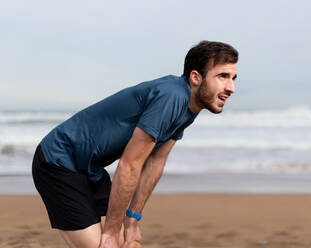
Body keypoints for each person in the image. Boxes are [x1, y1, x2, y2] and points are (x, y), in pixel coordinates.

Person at [32, 40, 238, 248]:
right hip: (58, 162)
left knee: (124, 241)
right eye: (223, 76)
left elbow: (155, 163)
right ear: (196, 77)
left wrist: (132, 220)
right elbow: (129, 165)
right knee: (103, 244)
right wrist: (111, 233)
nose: (231, 88)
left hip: (91, 170)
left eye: (233, 78)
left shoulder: (189, 110)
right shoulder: (171, 96)